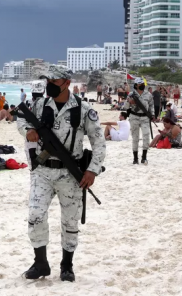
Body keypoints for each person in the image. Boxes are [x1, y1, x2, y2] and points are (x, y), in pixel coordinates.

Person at [17, 65, 106, 282]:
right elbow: (21, 117)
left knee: (70, 222)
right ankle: (40, 263)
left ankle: (67, 265)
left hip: (70, 173)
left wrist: (93, 170)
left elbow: (99, 141)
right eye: (48, 81)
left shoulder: (83, 109)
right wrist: (27, 130)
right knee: (35, 216)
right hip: (43, 171)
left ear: (67, 83)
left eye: (54, 82)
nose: (49, 86)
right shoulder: (39, 104)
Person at [124, 78, 154, 165]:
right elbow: (125, 107)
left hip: (145, 118)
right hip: (134, 117)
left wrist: (152, 115)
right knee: (135, 138)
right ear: (136, 85)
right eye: (140, 84)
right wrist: (129, 102)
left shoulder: (148, 94)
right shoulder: (131, 94)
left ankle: (144, 157)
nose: (142, 85)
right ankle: (135, 158)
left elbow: (151, 105)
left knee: (146, 137)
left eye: (143, 84)